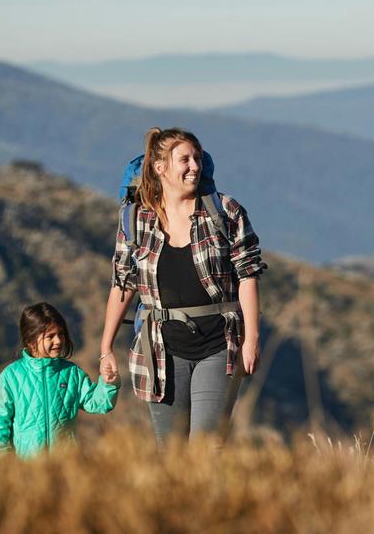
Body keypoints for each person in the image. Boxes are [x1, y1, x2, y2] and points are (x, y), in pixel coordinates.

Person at [98, 128, 266, 443]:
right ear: (160, 168)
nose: (195, 167)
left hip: (219, 343)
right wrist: (105, 348)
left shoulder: (225, 212)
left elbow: (248, 274)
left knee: (206, 448)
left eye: (198, 159)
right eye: (185, 159)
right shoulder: (136, 220)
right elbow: (123, 282)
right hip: (160, 350)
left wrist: (252, 339)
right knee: (171, 453)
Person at [0, 302, 118, 458]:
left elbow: (99, 404)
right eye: (50, 336)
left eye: (61, 334)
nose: (58, 341)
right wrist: (2, 457)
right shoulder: (12, 376)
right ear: (30, 341)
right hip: (27, 466)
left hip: (66, 464)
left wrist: (109, 382)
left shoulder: (71, 373)